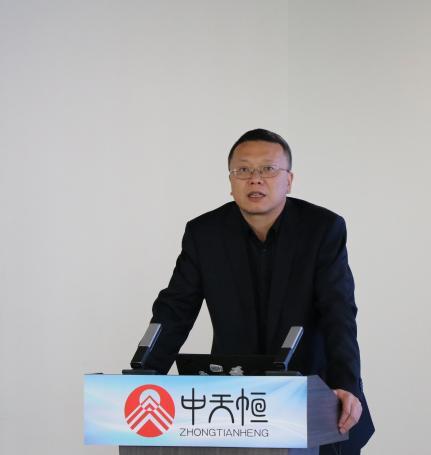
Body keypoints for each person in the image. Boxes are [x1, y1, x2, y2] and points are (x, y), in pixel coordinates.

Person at [146, 128, 374, 454]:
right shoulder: (204, 233)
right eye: (243, 169)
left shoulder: (322, 228)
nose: (255, 179)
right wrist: (146, 374)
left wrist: (344, 384)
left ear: (289, 180)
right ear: (231, 181)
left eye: (268, 169)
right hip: (235, 401)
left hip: (315, 394)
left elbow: (338, 312)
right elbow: (176, 309)